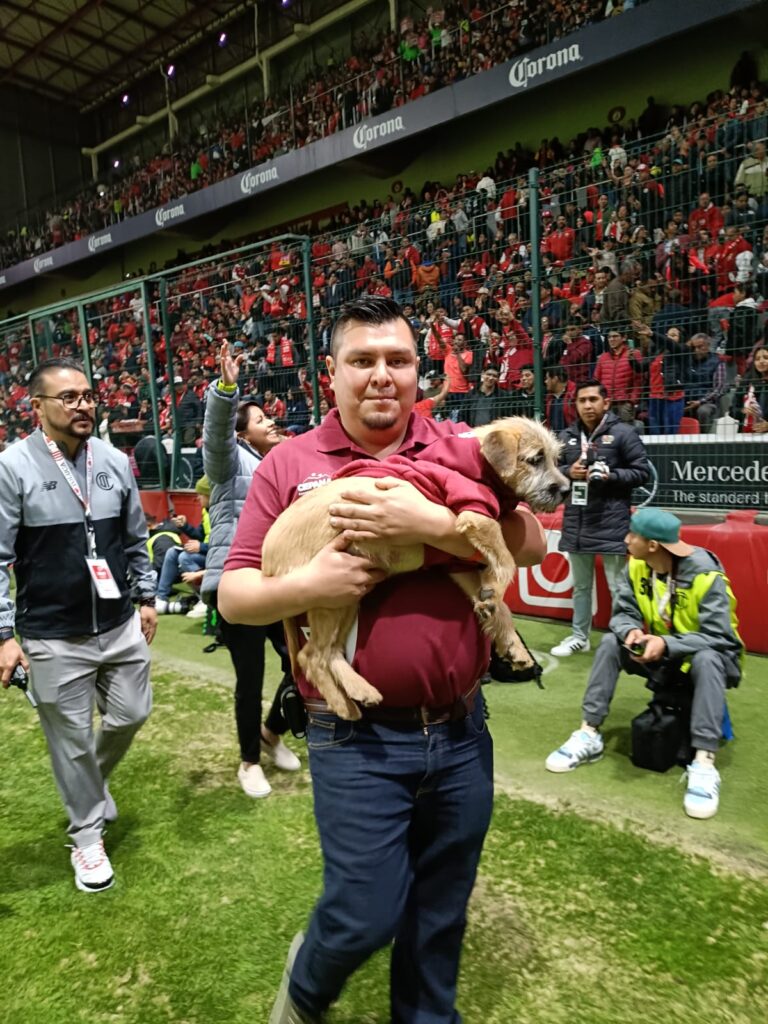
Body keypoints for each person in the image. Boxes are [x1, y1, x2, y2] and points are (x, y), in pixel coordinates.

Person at [218, 296, 545, 1024]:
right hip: (353, 736)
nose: (381, 376)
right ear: (329, 373)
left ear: (417, 372)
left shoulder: (460, 444)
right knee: (365, 912)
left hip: (461, 731)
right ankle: (305, 994)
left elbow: (532, 545)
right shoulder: (289, 463)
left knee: (439, 913)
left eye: (397, 361)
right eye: (362, 361)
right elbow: (236, 597)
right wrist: (310, 586)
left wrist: (427, 524)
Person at [0, 357, 155, 893]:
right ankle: (87, 838)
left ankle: (90, 782)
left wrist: (148, 597)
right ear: (37, 407)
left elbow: (135, 538)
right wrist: (3, 636)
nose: (84, 404)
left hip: (118, 624)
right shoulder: (12, 467)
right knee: (68, 741)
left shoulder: (113, 459)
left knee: (134, 711)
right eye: (69, 397)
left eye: (88, 395)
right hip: (51, 635)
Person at [545, 508, 743, 820]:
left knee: (708, 658)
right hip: (662, 652)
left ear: (652, 545)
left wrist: (667, 644)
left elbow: (719, 637)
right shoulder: (637, 565)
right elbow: (622, 613)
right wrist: (631, 632)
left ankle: (704, 762)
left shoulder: (707, 575)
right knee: (611, 642)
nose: (625, 539)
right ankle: (589, 733)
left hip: (707, 658)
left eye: (632, 534)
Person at [202, 341, 300, 799]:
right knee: (251, 678)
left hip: (279, 584)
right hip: (238, 585)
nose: (271, 423)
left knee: (304, 664)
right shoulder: (228, 462)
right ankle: (248, 762)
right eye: (261, 420)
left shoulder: (279, 465)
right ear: (242, 434)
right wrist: (225, 387)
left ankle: (271, 732)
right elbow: (218, 433)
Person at [551, 379, 650, 657]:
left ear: (606, 403)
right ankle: (579, 637)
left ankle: (623, 639)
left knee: (619, 587)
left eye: (593, 399)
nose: (587, 405)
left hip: (612, 520)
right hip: (577, 520)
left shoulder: (623, 433)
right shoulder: (567, 435)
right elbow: (554, 469)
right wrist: (569, 471)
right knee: (581, 587)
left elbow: (642, 473)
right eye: (582, 400)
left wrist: (610, 476)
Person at [155, 475, 210, 615]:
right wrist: (185, 526)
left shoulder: (223, 513)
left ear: (210, 496)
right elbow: (200, 535)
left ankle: (206, 599)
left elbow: (227, 546)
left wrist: (201, 547)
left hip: (217, 556)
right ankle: (161, 599)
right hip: (208, 553)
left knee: (185, 557)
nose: (197, 498)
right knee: (172, 553)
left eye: (200, 495)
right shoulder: (206, 511)